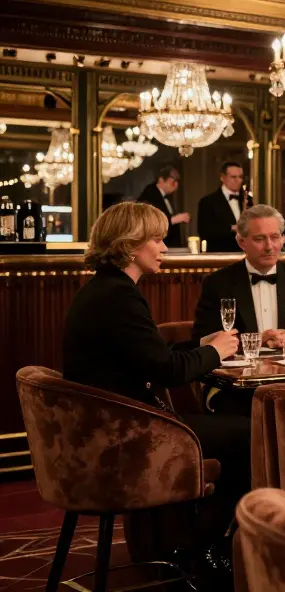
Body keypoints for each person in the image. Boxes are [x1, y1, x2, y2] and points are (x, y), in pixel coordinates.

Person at [61, 203, 245, 560]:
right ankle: (211, 549)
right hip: (126, 435)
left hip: (107, 427)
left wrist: (201, 345)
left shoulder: (106, 289)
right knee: (250, 432)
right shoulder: (118, 295)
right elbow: (168, 371)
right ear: (130, 244)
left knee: (236, 428)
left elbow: (149, 355)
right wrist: (216, 351)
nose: (164, 248)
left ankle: (195, 543)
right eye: (157, 240)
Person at [191, 205, 285, 351]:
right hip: (238, 365)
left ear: (283, 239)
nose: (269, 246)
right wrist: (257, 340)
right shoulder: (217, 283)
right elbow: (202, 340)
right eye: (259, 239)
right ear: (241, 242)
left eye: (274, 237)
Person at [197, 161, 250, 252]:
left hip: (244, 253)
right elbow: (204, 231)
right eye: (233, 177)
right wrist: (232, 228)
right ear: (222, 177)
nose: (238, 180)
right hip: (220, 254)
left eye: (240, 177)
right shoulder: (208, 201)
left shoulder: (247, 199)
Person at [136, 164, 189, 248]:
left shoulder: (165, 196)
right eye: (173, 180)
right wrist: (175, 219)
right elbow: (150, 223)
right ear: (161, 179)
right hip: (157, 245)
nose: (176, 185)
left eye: (177, 181)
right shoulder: (150, 194)